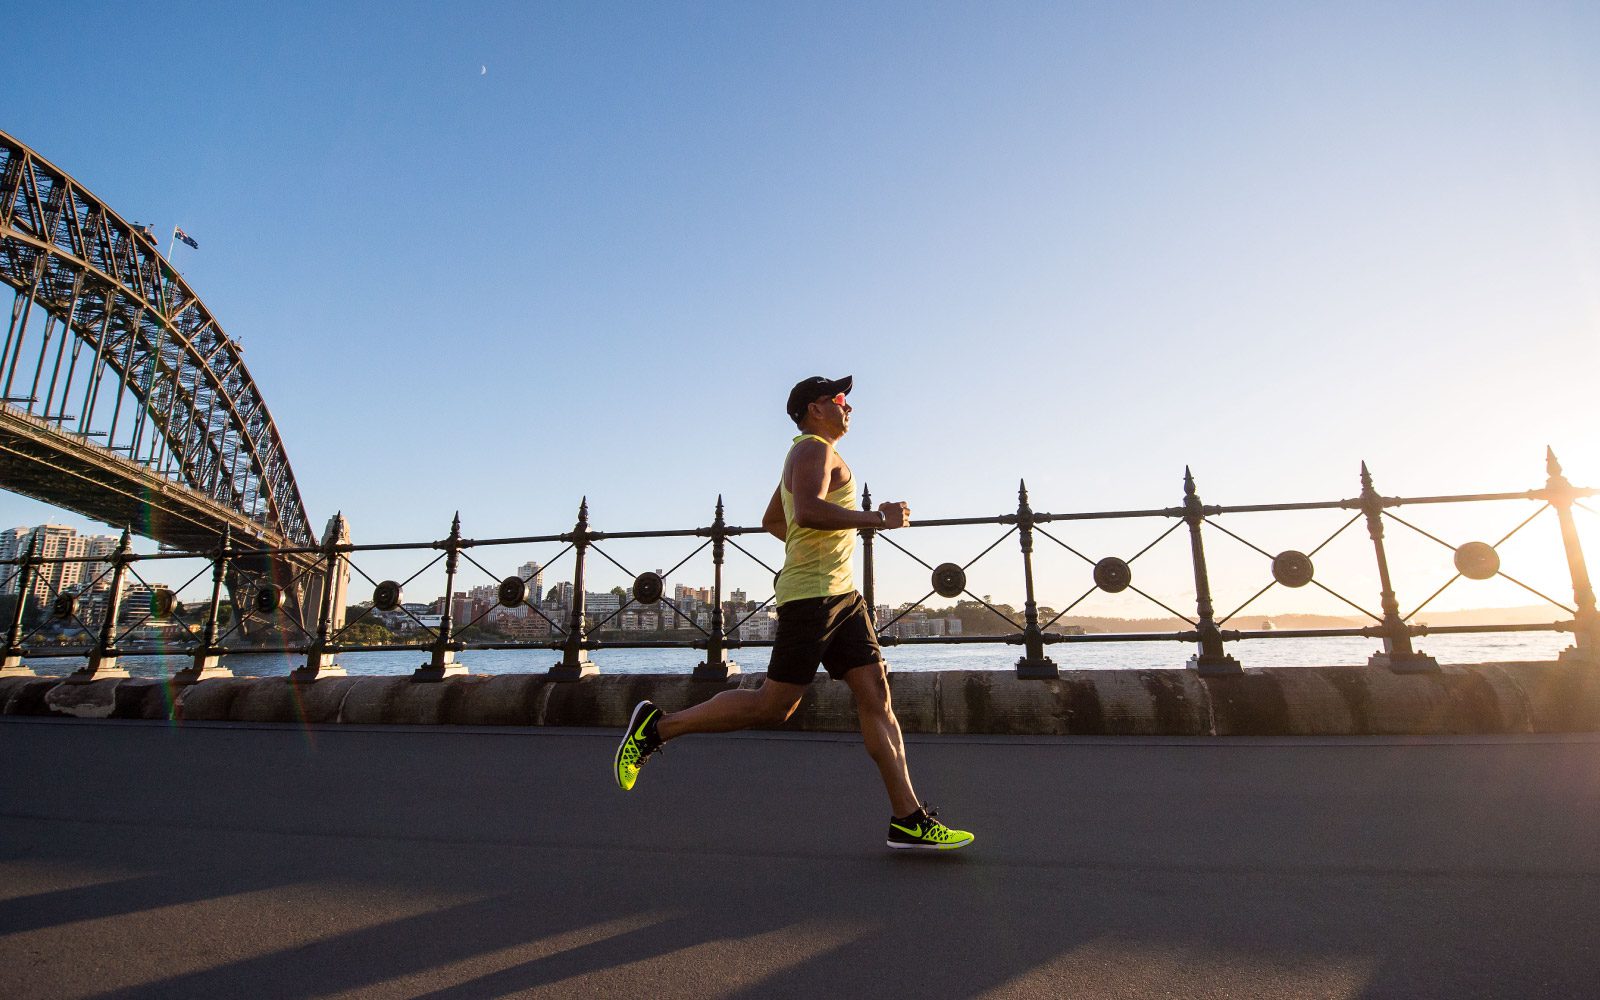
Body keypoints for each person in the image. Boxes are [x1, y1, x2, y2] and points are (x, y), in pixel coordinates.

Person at [614, 375, 973, 851]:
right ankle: (656, 728)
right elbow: (805, 512)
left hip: (843, 596)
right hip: (813, 599)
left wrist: (816, 551)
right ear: (813, 408)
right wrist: (876, 519)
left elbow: (774, 521)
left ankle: (909, 818)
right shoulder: (812, 450)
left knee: (876, 695)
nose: (849, 406)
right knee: (773, 705)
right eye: (839, 399)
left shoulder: (815, 452)